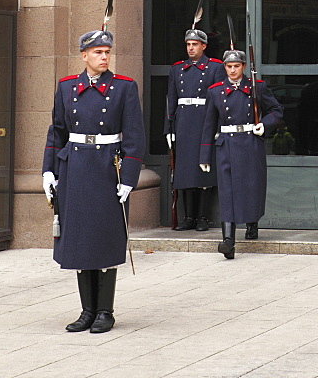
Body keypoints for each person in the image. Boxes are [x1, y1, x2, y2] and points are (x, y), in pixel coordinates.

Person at [42, 29, 145, 333]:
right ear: (84, 55)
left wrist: (128, 178)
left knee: (104, 236)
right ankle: (87, 310)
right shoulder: (66, 88)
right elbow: (56, 132)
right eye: (98, 52)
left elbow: (135, 137)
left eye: (107, 52)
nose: (104, 57)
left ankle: (105, 311)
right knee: (80, 239)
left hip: (106, 168)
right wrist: (49, 170)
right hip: (75, 167)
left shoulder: (124, 87)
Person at [199, 48, 283, 259]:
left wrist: (264, 125)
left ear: (244, 67)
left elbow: (276, 110)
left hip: (250, 142)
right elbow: (208, 124)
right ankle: (228, 240)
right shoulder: (215, 91)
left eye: (236, 66)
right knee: (227, 191)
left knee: (250, 186)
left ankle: (252, 223)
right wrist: (204, 155)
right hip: (226, 144)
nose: (233, 70)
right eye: (229, 66)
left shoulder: (257, 87)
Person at [164, 29, 222, 231]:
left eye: (195, 44)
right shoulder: (177, 69)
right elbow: (171, 100)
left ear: (203, 46)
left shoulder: (215, 67)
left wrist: (218, 126)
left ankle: (203, 217)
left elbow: (219, 100)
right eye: (188, 44)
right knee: (185, 170)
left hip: (205, 121)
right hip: (184, 123)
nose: (191, 48)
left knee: (204, 170)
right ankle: (188, 217)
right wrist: (169, 128)